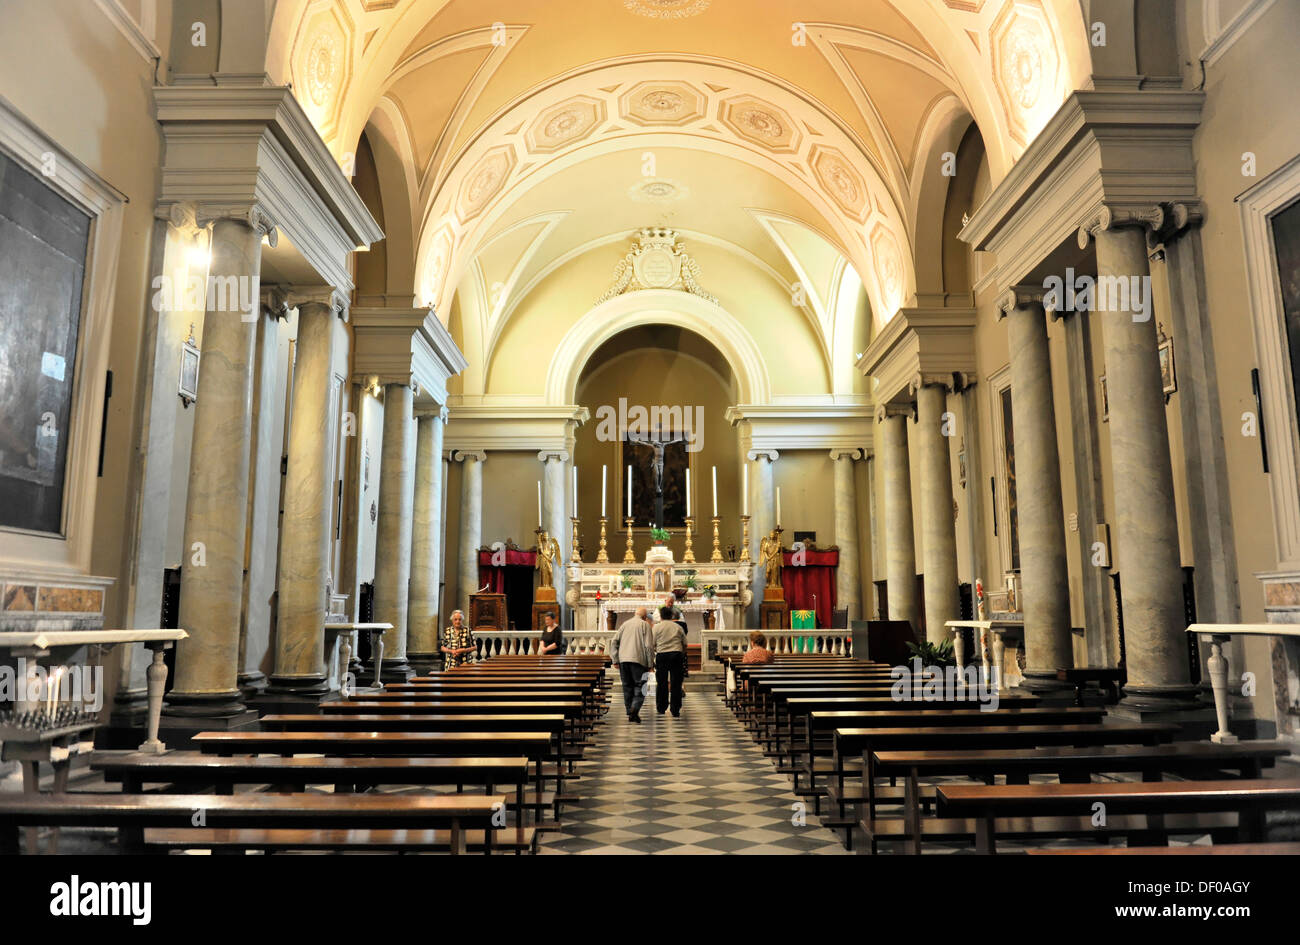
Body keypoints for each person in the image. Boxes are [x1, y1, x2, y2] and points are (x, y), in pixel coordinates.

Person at [611, 606, 655, 722]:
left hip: (623, 660)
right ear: (645, 617)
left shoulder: (625, 624)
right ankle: (634, 710)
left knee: (627, 686)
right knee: (641, 686)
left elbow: (614, 641)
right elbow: (649, 646)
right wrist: (650, 664)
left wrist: (615, 659)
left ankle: (629, 711)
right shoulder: (645, 625)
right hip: (638, 660)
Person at [653, 605, 687, 717]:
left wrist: (656, 650)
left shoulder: (656, 627)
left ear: (661, 616)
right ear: (671, 615)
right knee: (676, 682)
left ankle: (661, 707)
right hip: (676, 654)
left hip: (662, 655)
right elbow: (685, 643)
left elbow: (651, 644)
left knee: (661, 682)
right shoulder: (677, 627)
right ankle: (675, 709)